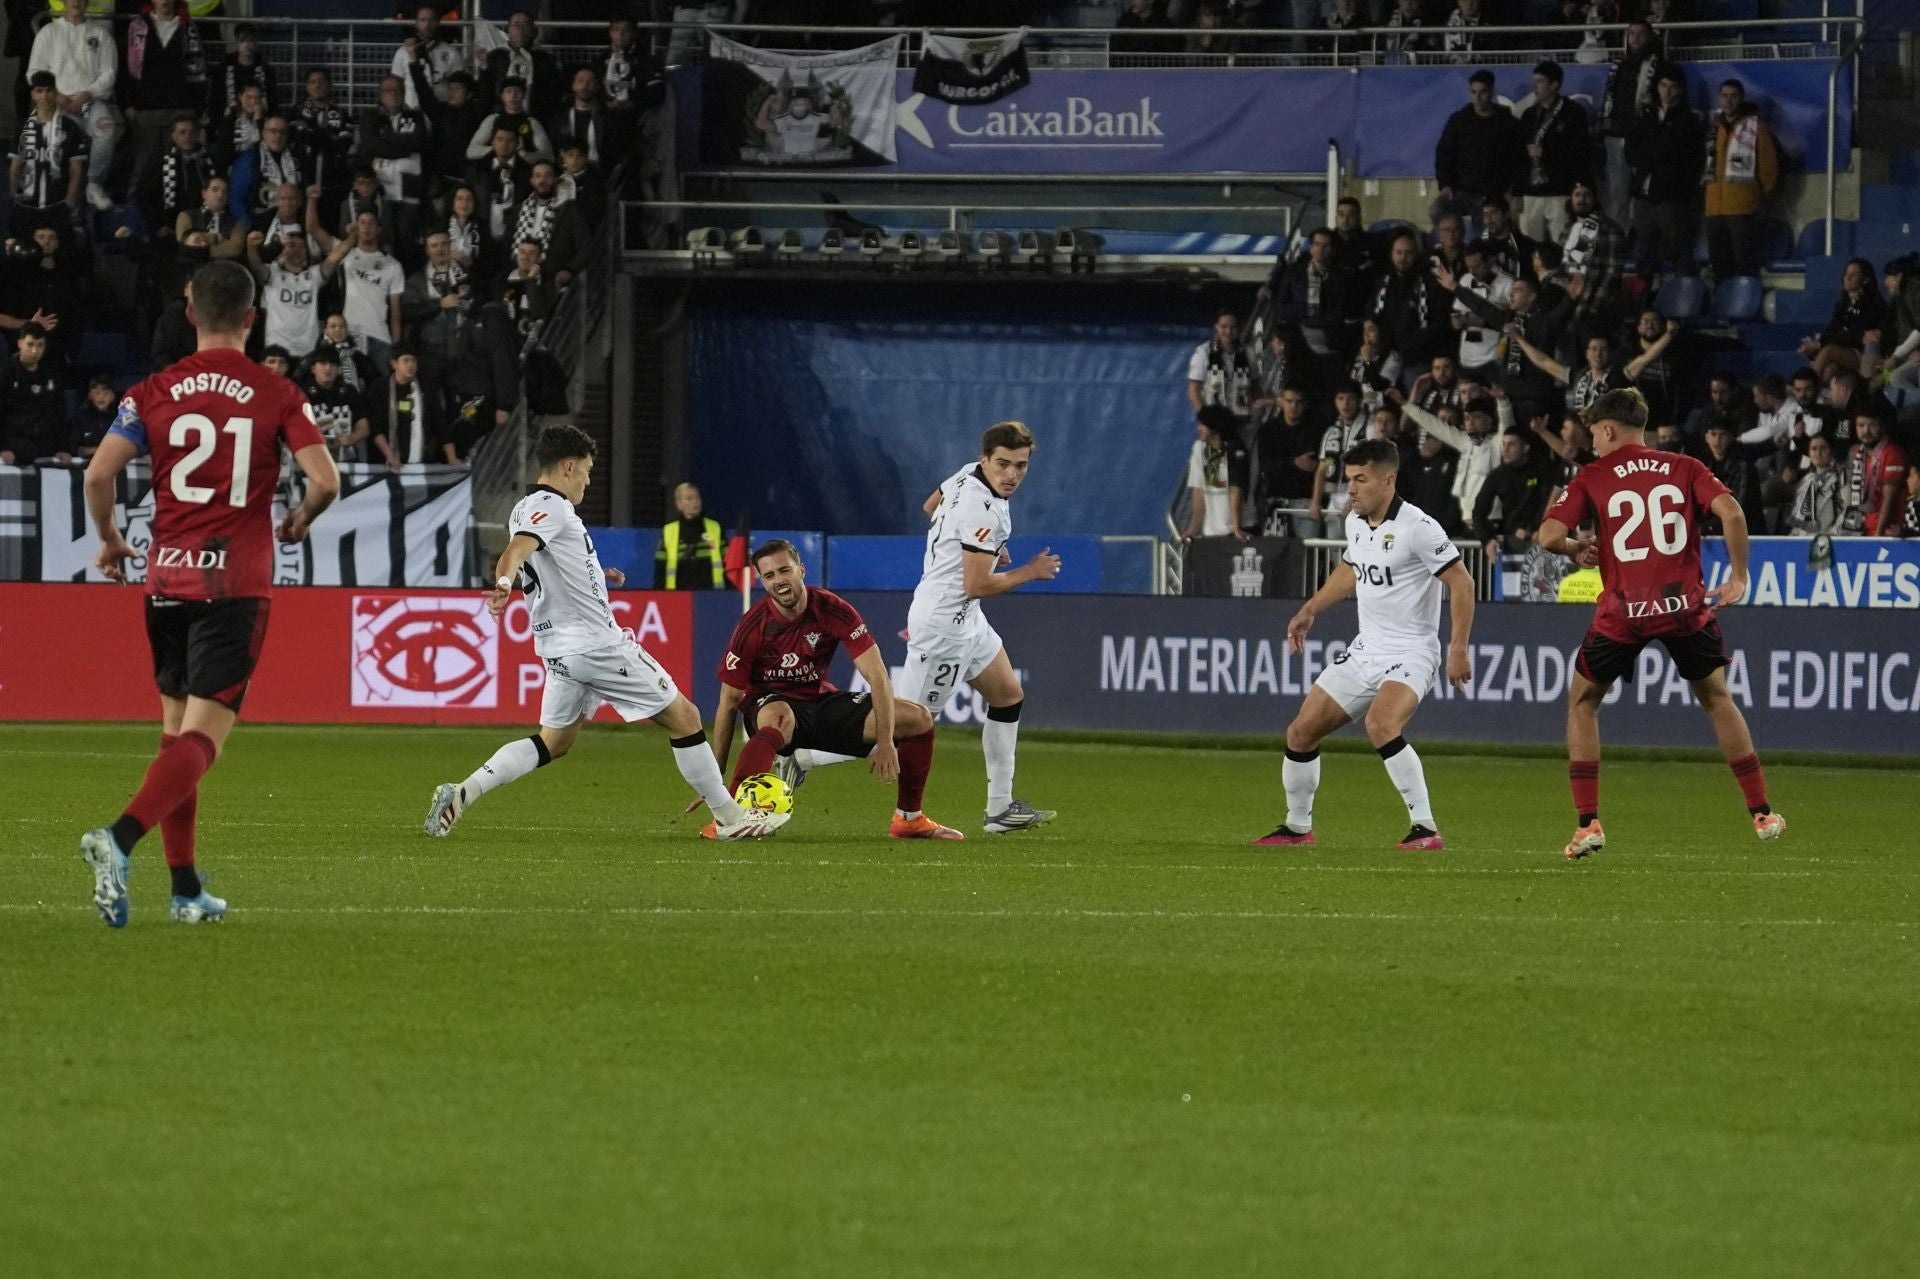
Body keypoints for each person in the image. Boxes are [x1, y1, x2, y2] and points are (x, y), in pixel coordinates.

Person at [78, 259, 341, 927]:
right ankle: (119, 836)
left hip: (164, 579)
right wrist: (300, 519)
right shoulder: (275, 392)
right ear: (253, 318)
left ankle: (187, 888)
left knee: (176, 736)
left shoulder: (153, 390)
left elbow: (98, 475)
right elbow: (326, 479)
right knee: (205, 742)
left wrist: (110, 538)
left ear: (190, 312)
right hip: (234, 584)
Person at [424, 425, 785, 843]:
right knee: (685, 717)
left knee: (554, 742)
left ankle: (462, 793)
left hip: (558, 651)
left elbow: (542, 557)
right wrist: (504, 583)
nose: (588, 481)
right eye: (588, 471)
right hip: (595, 645)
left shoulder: (524, 506)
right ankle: (730, 817)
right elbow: (517, 551)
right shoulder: (552, 507)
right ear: (569, 466)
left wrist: (597, 573)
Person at [1536, 388, 1785, 860]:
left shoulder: (1593, 475)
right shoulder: (1684, 466)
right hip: (1683, 607)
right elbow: (1731, 510)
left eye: (1593, 433)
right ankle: (1762, 812)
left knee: (1583, 703)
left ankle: (1588, 823)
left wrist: (1574, 548)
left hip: (1622, 611)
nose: (1592, 443)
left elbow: (1548, 535)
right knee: (1716, 698)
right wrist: (1738, 576)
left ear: (1608, 429)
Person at [1254, 438, 1476, 851]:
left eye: (1360, 479)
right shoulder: (1355, 522)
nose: (1350, 489)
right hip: (1365, 650)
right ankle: (1298, 828)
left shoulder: (1419, 527)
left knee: (1381, 724)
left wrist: (1457, 648)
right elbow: (1350, 570)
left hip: (1411, 652)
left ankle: (1425, 828)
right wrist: (1310, 609)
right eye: (1348, 479)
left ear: (1388, 480)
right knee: (1301, 731)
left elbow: (1462, 581)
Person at [697, 539, 961, 841]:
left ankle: (909, 819)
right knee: (779, 715)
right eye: (769, 576)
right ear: (761, 581)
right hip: (770, 709)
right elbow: (729, 703)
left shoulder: (832, 609)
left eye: (785, 570)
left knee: (918, 718)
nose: (779, 581)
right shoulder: (753, 626)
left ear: (801, 570)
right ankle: (730, 817)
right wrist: (715, 785)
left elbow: (877, 676)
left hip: (818, 701)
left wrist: (887, 741)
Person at [898, 421, 1060, 834]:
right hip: (943, 625)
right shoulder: (982, 507)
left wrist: (986, 547)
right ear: (986, 458)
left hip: (967, 620)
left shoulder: (967, 472)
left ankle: (1000, 810)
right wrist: (1030, 571)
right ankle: (805, 756)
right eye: (1003, 464)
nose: (1011, 475)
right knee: (903, 725)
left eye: (1020, 466)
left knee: (1008, 696)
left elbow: (930, 506)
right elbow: (977, 584)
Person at [27, 3, 118, 212]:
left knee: (106, 127)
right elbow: (34, 71)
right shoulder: (48, 32)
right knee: (53, 142)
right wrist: (56, 96)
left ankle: (94, 184)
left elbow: (109, 73)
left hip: (89, 101)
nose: (76, 2)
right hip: (56, 102)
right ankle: (51, 193)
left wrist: (87, 94)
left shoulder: (100, 34)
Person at [1627, 63, 1703, 282]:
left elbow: (1689, 159)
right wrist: (1645, 161)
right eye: (1662, 85)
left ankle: (1682, 298)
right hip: (1644, 194)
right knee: (1643, 251)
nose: (1667, 91)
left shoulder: (1687, 120)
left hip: (1671, 197)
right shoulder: (1646, 117)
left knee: (1678, 249)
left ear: (1680, 90)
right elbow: (1631, 149)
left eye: (1672, 87)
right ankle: (1645, 305)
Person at [1704, 79, 1779, 281]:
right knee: (1719, 266)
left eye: (1733, 96)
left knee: (1744, 265)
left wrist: (1762, 198)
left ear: (1741, 99)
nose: (1728, 100)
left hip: (1743, 208)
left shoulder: (1755, 126)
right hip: (1714, 208)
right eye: (1724, 95)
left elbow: (1768, 166)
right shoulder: (1713, 127)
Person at [312, 208, 406, 371]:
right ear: (356, 227)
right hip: (349, 336)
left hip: (380, 338)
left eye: (371, 223)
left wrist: (396, 349)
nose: (367, 227)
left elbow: (396, 313)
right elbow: (313, 229)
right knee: (352, 387)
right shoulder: (345, 252)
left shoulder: (393, 265)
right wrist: (312, 199)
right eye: (362, 222)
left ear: (379, 229)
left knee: (380, 390)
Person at [1432, 69, 1524, 224]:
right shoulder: (1459, 121)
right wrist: (1445, 185)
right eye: (1473, 92)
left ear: (1492, 92)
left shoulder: (1508, 124)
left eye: (1482, 92)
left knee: (1485, 235)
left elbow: (1519, 160)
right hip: (1463, 192)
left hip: (1495, 194)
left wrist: (1514, 191)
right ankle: (1451, 243)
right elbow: (1444, 154)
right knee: (1437, 209)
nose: (1478, 97)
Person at [1516, 61, 1589, 244]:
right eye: (1534, 81)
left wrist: (1546, 152)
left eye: (1540, 81)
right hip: (1531, 192)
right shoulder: (1529, 114)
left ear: (1554, 84)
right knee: (1529, 249)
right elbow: (1519, 155)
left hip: (1559, 190)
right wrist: (1518, 191)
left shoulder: (1573, 113)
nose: (1535, 86)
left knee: (1561, 244)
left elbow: (1579, 151)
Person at [9, 71, 89, 239]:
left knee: (61, 257)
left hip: (58, 204)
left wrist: (69, 200)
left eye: (48, 91)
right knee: (24, 257)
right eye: (39, 91)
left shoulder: (70, 127)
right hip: (26, 206)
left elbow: (76, 169)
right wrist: (12, 199)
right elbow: (14, 167)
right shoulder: (22, 127)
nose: (44, 96)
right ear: (32, 94)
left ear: (55, 93)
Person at [1599, 22, 1664, 226]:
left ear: (1649, 37)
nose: (1635, 38)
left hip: (1643, 139)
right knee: (1617, 196)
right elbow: (1609, 99)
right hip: (1617, 135)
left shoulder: (1659, 67)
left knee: (1642, 197)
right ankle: (1617, 245)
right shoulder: (1618, 65)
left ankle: (1642, 244)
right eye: (1632, 34)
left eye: (1641, 34)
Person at [245, 224, 332, 361]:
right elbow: (255, 266)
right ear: (283, 250)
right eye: (292, 245)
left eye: (302, 246)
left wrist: (353, 237)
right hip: (276, 351)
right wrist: (251, 246)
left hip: (307, 351)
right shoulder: (273, 273)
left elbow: (335, 259)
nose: (297, 250)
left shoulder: (314, 275)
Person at [1798, 258, 1889, 383]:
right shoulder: (1843, 303)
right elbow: (1833, 327)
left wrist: (1820, 344)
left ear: (1865, 279)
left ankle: (1805, 385)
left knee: (1828, 351)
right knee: (1829, 371)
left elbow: (1855, 334)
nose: (1848, 277)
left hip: (1866, 355)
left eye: (1854, 274)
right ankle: (1819, 397)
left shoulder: (1873, 304)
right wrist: (1819, 343)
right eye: (1846, 273)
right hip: (1846, 353)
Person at [1472, 430, 1552, 558]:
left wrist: (1537, 529)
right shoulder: (1498, 474)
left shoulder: (1543, 470)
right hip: (1512, 540)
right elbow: (1478, 511)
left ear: (1525, 447)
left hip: (1544, 538)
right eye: (1503, 444)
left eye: (1511, 444)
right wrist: (1487, 540)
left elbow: (1550, 503)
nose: (1505, 449)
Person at [1183, 404, 1250, 543]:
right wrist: (1194, 528)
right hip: (1211, 533)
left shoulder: (1235, 450)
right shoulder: (1199, 449)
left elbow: (1235, 489)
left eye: (1202, 425)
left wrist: (1236, 526)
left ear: (1214, 427)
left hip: (1236, 531)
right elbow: (1199, 490)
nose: (1198, 428)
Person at [0, 322, 66, 464]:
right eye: (30, 344)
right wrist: (2, 448)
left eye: (40, 345)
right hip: (12, 450)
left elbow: (60, 413)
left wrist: (63, 447)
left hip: (46, 449)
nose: (35, 350)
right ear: (19, 343)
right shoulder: (5, 373)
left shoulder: (52, 375)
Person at [393, 5, 466, 110]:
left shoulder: (451, 52)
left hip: (441, 111)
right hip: (412, 110)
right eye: (423, 20)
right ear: (416, 23)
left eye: (432, 20)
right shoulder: (402, 52)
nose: (427, 24)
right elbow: (395, 84)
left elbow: (459, 83)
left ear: (438, 22)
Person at [1849, 408, 1908, 537]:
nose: (1866, 431)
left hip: (1885, 533)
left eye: (1872, 425)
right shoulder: (1856, 453)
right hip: (1861, 530)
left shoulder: (1892, 453)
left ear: (1882, 427)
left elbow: (1889, 499)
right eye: (1861, 425)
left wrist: (1878, 535)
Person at [654, 481, 724, 589]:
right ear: (679, 504)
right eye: (689, 498)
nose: (695, 502)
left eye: (697, 497)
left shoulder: (715, 527)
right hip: (677, 596)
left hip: (712, 595)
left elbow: (728, 563)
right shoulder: (668, 531)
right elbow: (660, 569)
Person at [1187, 309, 1251, 419]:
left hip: (1241, 420)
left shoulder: (1248, 353)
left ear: (1238, 328)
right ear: (1216, 327)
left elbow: (1255, 387)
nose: (1229, 331)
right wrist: (1205, 419)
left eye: (1233, 327)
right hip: (1214, 420)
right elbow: (1193, 390)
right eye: (1224, 326)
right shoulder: (1204, 352)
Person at [1787, 433, 1845, 535]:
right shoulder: (1807, 480)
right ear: (1809, 453)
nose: (1818, 453)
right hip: (1803, 539)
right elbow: (1799, 515)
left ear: (1831, 451)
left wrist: (1831, 535)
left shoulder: (1841, 477)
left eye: (1823, 448)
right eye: (1814, 449)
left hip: (1829, 539)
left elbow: (1847, 510)